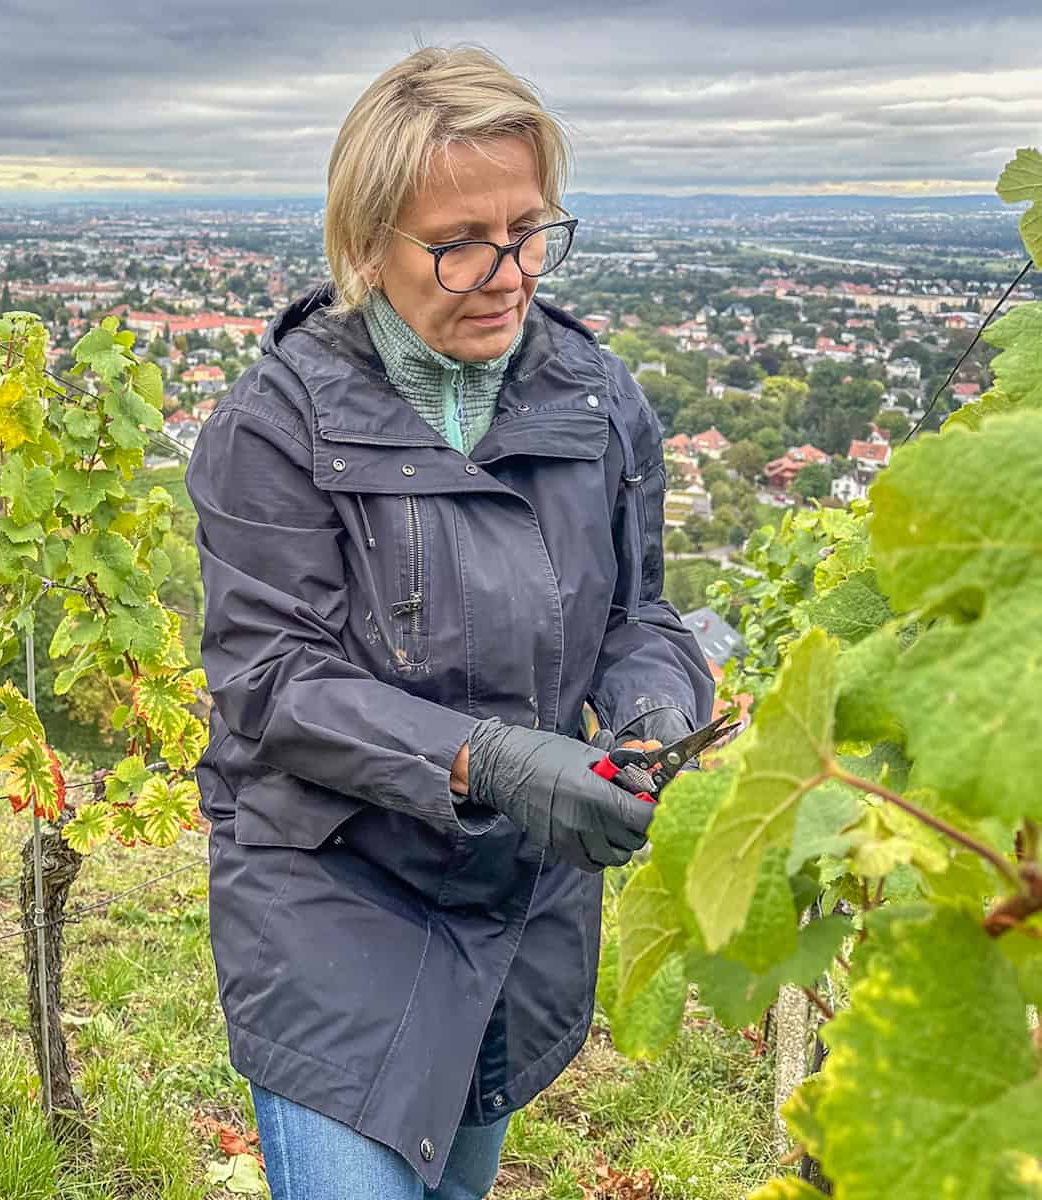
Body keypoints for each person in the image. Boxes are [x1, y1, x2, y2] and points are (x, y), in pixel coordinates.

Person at [186, 44, 714, 1200]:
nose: (508, 272)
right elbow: (274, 684)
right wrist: (496, 761)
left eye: (529, 230)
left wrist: (656, 707)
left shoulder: (600, 402)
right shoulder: (271, 429)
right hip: (334, 895)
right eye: (458, 243)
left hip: (517, 905)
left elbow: (640, 616)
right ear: (368, 246)